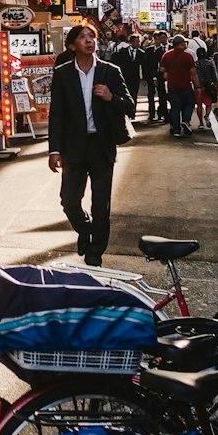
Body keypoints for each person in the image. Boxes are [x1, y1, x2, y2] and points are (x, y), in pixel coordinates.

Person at [47, 23, 135, 268]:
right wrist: (54, 150)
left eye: (92, 37)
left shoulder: (110, 71)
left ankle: (96, 251)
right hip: (73, 147)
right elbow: (57, 114)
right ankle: (85, 230)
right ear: (73, 45)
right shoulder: (63, 73)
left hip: (101, 146)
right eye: (83, 37)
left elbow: (129, 105)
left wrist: (110, 97)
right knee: (69, 200)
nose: (89, 40)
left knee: (101, 203)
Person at [160, 34, 198, 138]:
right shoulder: (188, 56)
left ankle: (176, 130)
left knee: (175, 107)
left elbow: (162, 69)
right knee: (190, 104)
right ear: (181, 44)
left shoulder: (166, 55)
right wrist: (197, 86)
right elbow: (193, 73)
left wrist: (169, 70)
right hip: (185, 85)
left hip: (172, 85)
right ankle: (185, 120)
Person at [110, 33, 143, 118]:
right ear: (131, 42)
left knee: (134, 94)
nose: (138, 43)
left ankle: (132, 112)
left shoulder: (141, 53)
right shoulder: (123, 51)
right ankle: (126, 112)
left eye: (139, 41)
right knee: (125, 94)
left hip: (135, 78)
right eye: (136, 41)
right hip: (125, 77)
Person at [195, 47, 218, 130]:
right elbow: (214, 77)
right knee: (208, 104)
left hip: (198, 87)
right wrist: (216, 86)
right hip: (208, 86)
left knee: (199, 105)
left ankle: (201, 123)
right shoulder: (209, 63)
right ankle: (207, 115)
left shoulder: (195, 64)